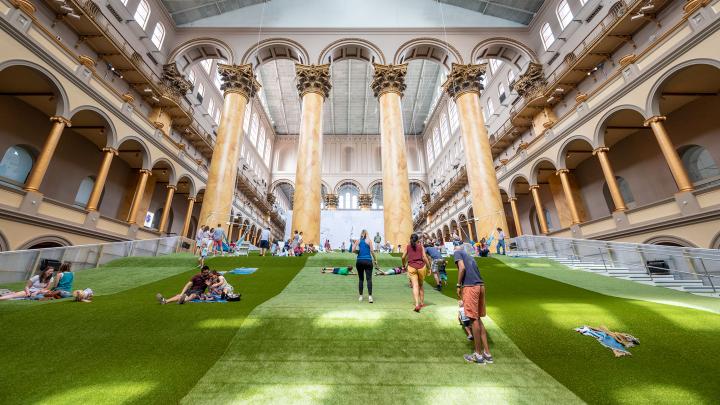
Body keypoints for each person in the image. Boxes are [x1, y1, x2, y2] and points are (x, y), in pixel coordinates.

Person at [454, 243, 493, 365]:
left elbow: (462, 268)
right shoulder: (470, 256)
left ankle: (478, 355)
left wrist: (458, 284)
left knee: (473, 319)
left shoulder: (457, 253)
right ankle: (487, 354)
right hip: (480, 285)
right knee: (478, 319)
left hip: (470, 287)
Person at [401, 233, 431, 312]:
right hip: (421, 267)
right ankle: (422, 303)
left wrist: (403, 265)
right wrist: (429, 268)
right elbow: (424, 257)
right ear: (418, 240)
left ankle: (417, 304)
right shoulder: (421, 246)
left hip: (411, 267)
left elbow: (403, 257)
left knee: (415, 285)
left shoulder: (408, 247)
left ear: (410, 239)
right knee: (421, 285)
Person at [353, 229, 378, 303]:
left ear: (361, 234)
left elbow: (353, 250)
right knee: (369, 279)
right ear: (367, 234)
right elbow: (372, 251)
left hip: (359, 261)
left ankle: (360, 296)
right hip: (368, 261)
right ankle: (370, 297)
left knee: (361, 279)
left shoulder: (358, 240)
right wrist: (375, 259)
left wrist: (358, 252)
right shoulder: (369, 240)